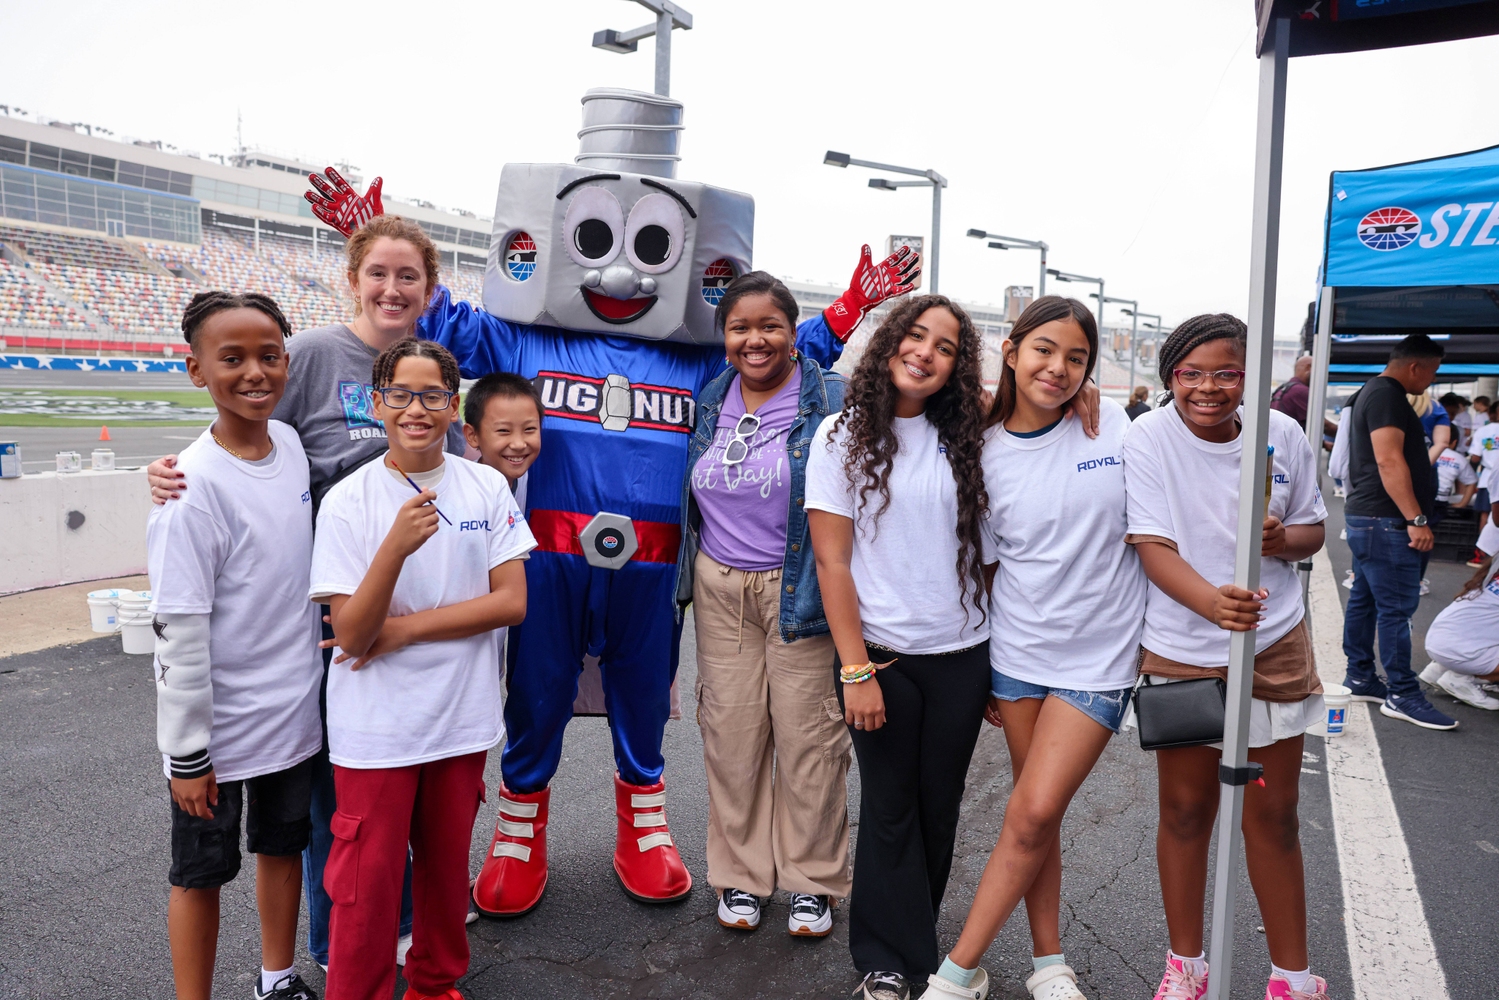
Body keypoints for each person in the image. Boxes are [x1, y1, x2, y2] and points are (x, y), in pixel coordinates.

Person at [146, 214, 466, 966]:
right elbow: (240, 438)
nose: (392, 288)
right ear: (352, 279)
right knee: (340, 793)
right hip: (330, 617)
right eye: (377, 273)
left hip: (413, 606)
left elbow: (458, 466)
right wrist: (164, 477)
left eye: (408, 275)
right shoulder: (316, 354)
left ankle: (395, 916)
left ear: (430, 288)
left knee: (407, 774)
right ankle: (343, 939)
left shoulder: (434, 366)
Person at [927, 297, 1144, 1000]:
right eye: (1045, 350)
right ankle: (1048, 964)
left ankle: (958, 973)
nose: (1058, 368)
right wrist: (982, 663)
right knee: (1036, 815)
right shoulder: (980, 451)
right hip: (1017, 655)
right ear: (1012, 351)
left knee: (1030, 812)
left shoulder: (1112, 424)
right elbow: (988, 568)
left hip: (1100, 658)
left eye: (1076, 358)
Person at [310, 338, 534, 1000]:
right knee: (365, 884)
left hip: (460, 722)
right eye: (401, 395)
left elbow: (511, 602)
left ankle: (435, 985)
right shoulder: (350, 501)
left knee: (443, 874)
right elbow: (350, 631)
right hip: (376, 730)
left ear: (452, 403)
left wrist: (400, 630)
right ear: (376, 404)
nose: (417, 409)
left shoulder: (485, 484)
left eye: (433, 395)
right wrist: (394, 550)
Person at [1122, 313, 1329, 1000]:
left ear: (1249, 379)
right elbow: (1150, 543)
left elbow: (1311, 533)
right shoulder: (1147, 436)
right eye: (1190, 373)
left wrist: (1280, 540)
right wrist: (1211, 603)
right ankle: (1185, 968)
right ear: (1169, 376)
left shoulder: (1283, 435)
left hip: (1272, 646)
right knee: (1185, 812)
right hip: (1183, 648)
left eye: (1225, 373)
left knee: (1272, 813)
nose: (1207, 387)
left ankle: (1291, 979)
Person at [806, 294, 993, 1000]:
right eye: (915, 336)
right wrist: (854, 669)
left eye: (944, 347)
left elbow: (990, 562)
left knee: (938, 807)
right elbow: (831, 564)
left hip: (962, 654)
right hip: (877, 655)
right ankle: (885, 963)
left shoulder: (973, 436)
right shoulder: (839, 434)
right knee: (889, 806)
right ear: (888, 343)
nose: (925, 352)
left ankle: (918, 953)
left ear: (956, 367)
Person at [148, 292, 322, 1000]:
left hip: (291, 713)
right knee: (199, 874)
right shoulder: (189, 488)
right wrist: (187, 753)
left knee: (283, 851)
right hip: (214, 734)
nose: (255, 372)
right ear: (196, 371)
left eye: (270, 355)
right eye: (232, 359)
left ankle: (276, 979)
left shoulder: (290, 445)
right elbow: (179, 627)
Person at [680, 271, 854, 938]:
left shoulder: (830, 399)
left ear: (792, 332)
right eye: (739, 328)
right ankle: (741, 877)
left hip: (799, 584)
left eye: (768, 326)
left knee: (809, 739)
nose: (754, 340)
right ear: (724, 337)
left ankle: (811, 883)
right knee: (731, 738)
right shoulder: (711, 397)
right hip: (721, 588)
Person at [1341, 333, 1457, 731]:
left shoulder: (1372, 392)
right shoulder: (1387, 395)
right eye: (1433, 371)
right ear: (1415, 366)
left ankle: (1360, 676)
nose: (1431, 380)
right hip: (1387, 520)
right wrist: (1416, 519)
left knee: (1367, 599)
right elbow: (1389, 461)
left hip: (1371, 517)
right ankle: (1402, 693)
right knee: (1396, 609)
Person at [459, 373, 543, 917]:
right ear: (471, 435)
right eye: (503, 431)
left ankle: (450, 877)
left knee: (468, 770)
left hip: (494, 647)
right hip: (455, 645)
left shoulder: (544, 477)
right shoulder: (456, 479)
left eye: (530, 429)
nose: (519, 442)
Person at [1418, 559, 1499, 711]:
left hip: (1439, 643)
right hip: (1458, 650)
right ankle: (1462, 679)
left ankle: (1440, 669)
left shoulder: (1490, 578)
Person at [1408, 390, 1452, 463]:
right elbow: (1442, 443)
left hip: (1390, 466)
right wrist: (1422, 466)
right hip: (1425, 467)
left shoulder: (1389, 403)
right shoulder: (1436, 408)